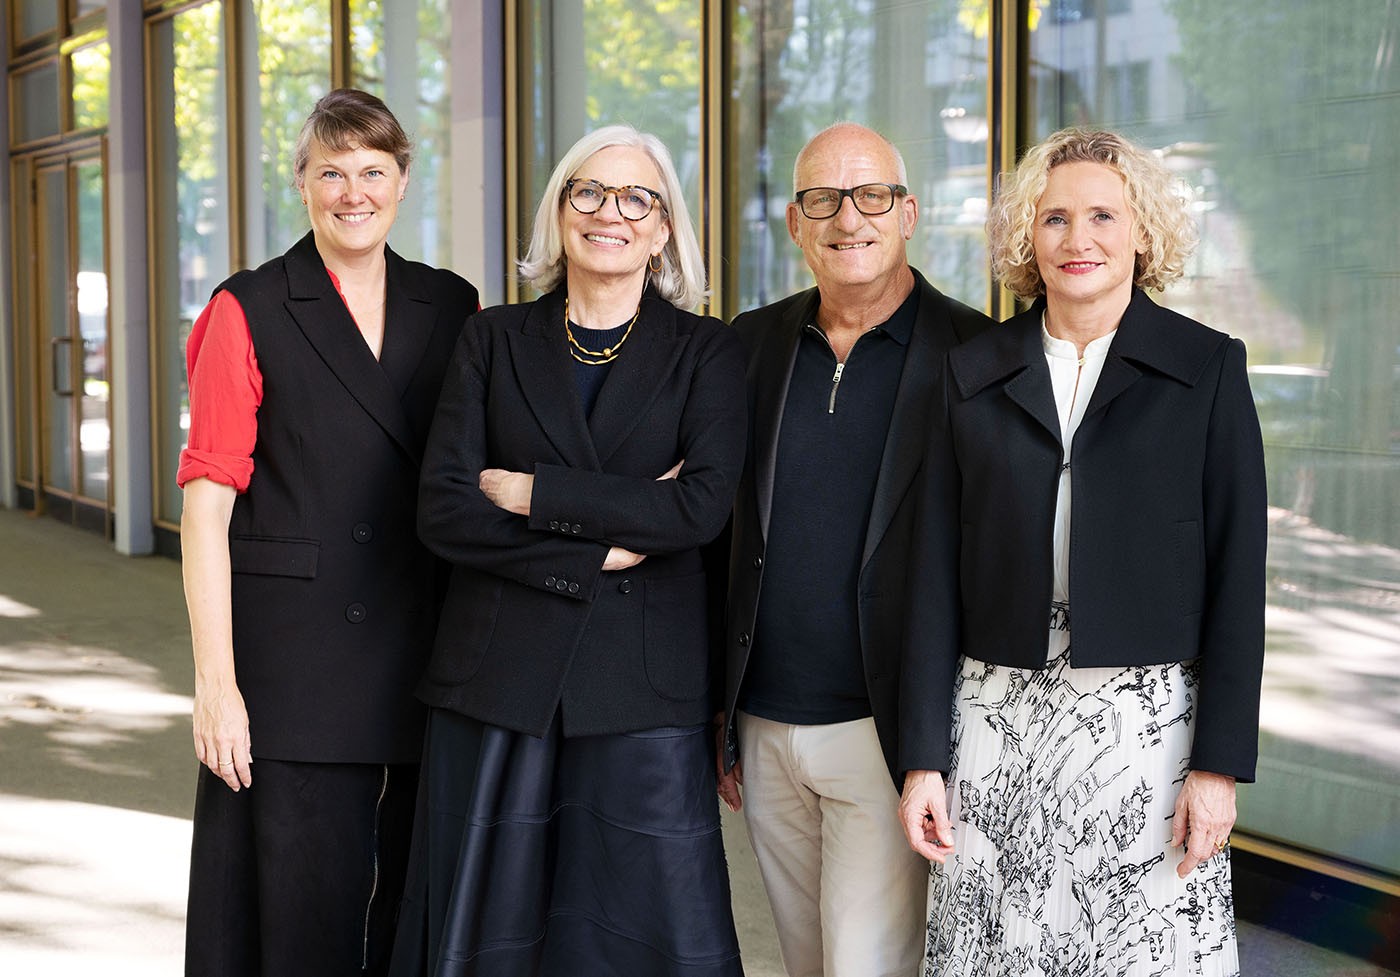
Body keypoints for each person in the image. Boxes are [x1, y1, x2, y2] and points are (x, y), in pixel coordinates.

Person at [898, 127, 1266, 976]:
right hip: (993, 722)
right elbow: (929, 583)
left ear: (1143, 233)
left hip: (1147, 731)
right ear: (1028, 237)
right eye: (1055, 217)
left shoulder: (1206, 368)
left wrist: (1219, 766)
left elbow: (1239, 582)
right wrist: (924, 758)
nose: (1079, 238)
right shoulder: (971, 372)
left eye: (1104, 215)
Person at [389, 125, 746, 977]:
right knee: (488, 937)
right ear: (559, 211)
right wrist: (599, 548)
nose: (608, 214)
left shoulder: (709, 351)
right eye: (586, 192)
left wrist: (536, 493)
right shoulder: (492, 338)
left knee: (647, 934)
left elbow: (697, 507)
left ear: (663, 229)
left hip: (643, 690)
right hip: (497, 678)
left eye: (635, 199)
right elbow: (442, 509)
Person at [177, 88, 479, 976]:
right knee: (298, 910)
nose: (354, 192)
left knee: (415, 907)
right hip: (291, 666)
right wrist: (215, 686)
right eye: (331, 172)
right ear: (302, 185)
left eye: (374, 171)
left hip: (427, 650)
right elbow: (207, 508)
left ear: (403, 181)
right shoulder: (249, 308)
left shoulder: (452, 306)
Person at [717, 122, 990, 977]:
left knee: (865, 965)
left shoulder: (978, 355)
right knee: (804, 962)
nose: (849, 218)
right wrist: (716, 720)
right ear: (795, 225)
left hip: (886, 731)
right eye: (822, 199)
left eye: (872, 195)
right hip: (762, 726)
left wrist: (935, 753)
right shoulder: (746, 346)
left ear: (908, 213)